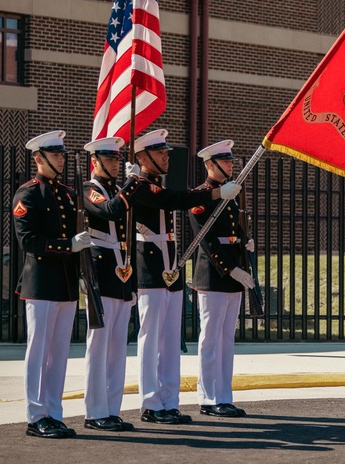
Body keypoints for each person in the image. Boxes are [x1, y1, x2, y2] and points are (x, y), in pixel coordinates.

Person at [129, 129, 239, 424]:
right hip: (150, 267)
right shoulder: (139, 186)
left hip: (170, 268)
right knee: (150, 338)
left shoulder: (153, 185)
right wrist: (216, 192)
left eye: (166, 152)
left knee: (169, 340)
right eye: (161, 153)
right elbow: (176, 199)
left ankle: (169, 400)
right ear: (143, 157)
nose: (167, 157)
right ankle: (151, 403)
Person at [12, 130, 91, 439]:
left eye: (62, 154)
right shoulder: (28, 194)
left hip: (66, 283)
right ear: (38, 158)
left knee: (59, 352)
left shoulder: (70, 194)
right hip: (41, 282)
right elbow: (28, 240)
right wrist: (67, 245)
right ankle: (35, 415)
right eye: (55, 154)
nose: (61, 158)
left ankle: (53, 412)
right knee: (39, 350)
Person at [189, 140, 256, 418]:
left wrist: (246, 242)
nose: (230, 165)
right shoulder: (201, 196)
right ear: (210, 165)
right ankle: (207, 397)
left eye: (230, 161)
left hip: (233, 274)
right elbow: (206, 241)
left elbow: (235, 231)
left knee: (227, 338)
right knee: (211, 338)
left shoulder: (233, 194)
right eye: (225, 162)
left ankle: (224, 395)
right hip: (213, 275)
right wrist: (231, 269)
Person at [81, 136, 140, 432]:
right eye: (111, 159)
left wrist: (134, 284)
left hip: (123, 275)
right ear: (96, 162)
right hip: (102, 274)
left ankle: (112, 409)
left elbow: (130, 234)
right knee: (99, 346)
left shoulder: (119, 190)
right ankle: (95, 411)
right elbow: (109, 212)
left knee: (118, 347)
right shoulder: (90, 190)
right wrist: (131, 184)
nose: (116, 163)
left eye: (117, 159)